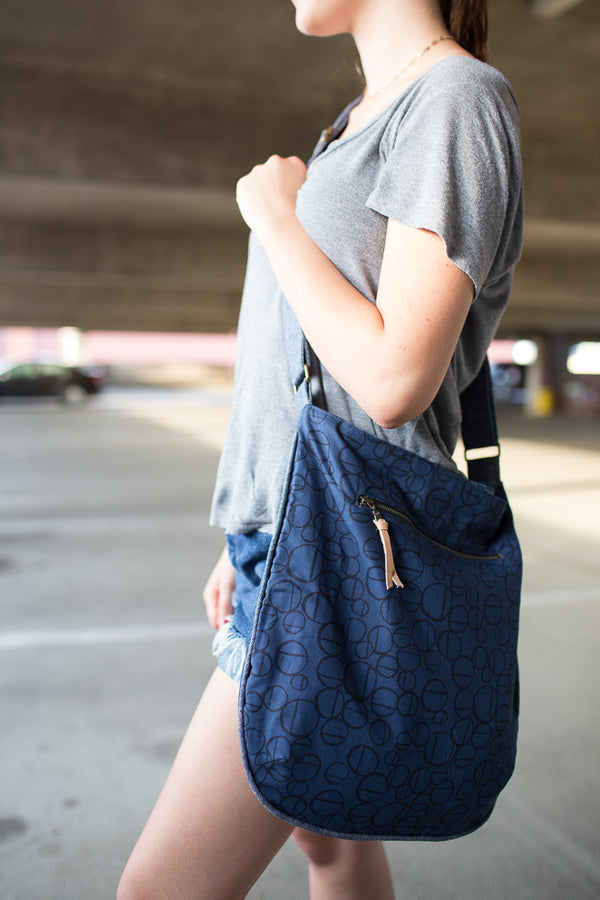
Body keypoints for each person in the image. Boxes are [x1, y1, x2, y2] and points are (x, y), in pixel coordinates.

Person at [117, 0, 522, 896]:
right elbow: (294, 368)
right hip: (295, 544)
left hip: (338, 561)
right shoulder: (354, 123)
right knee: (329, 843)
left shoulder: (456, 99)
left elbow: (391, 380)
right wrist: (245, 526)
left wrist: (276, 221)